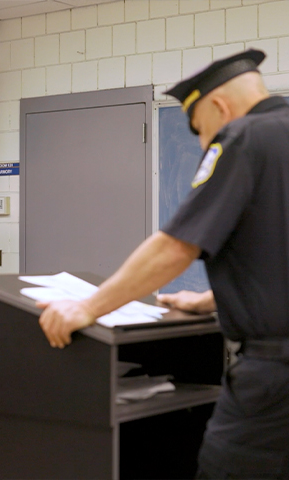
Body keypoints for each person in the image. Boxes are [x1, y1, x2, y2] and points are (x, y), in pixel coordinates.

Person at [37, 49, 289, 479]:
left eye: (198, 129)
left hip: (275, 374)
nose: (200, 142)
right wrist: (215, 299)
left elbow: (175, 247)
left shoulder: (243, 137)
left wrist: (88, 307)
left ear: (219, 107)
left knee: (227, 468)